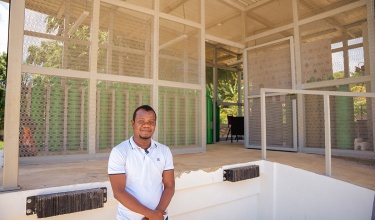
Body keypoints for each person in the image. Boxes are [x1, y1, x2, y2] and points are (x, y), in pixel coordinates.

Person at [108, 105, 175, 220]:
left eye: (151, 122)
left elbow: (170, 186)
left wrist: (156, 214)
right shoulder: (119, 152)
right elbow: (118, 192)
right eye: (141, 121)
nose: (147, 125)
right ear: (133, 123)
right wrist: (150, 214)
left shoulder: (164, 151)